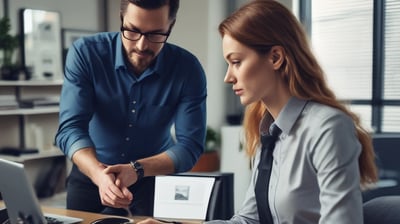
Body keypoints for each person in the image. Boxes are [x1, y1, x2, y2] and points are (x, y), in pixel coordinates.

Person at [138, 1, 378, 224]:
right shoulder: (268, 131)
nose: (228, 77)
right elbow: (249, 220)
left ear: (275, 57)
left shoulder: (327, 128)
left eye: (237, 62)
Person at [55, 0, 207, 217]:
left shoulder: (188, 69)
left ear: (170, 26)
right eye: (133, 31)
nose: (142, 45)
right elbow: (70, 129)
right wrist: (99, 175)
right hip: (92, 174)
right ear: (121, 19)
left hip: (154, 179)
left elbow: (190, 146)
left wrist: (136, 169)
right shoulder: (86, 53)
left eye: (155, 34)